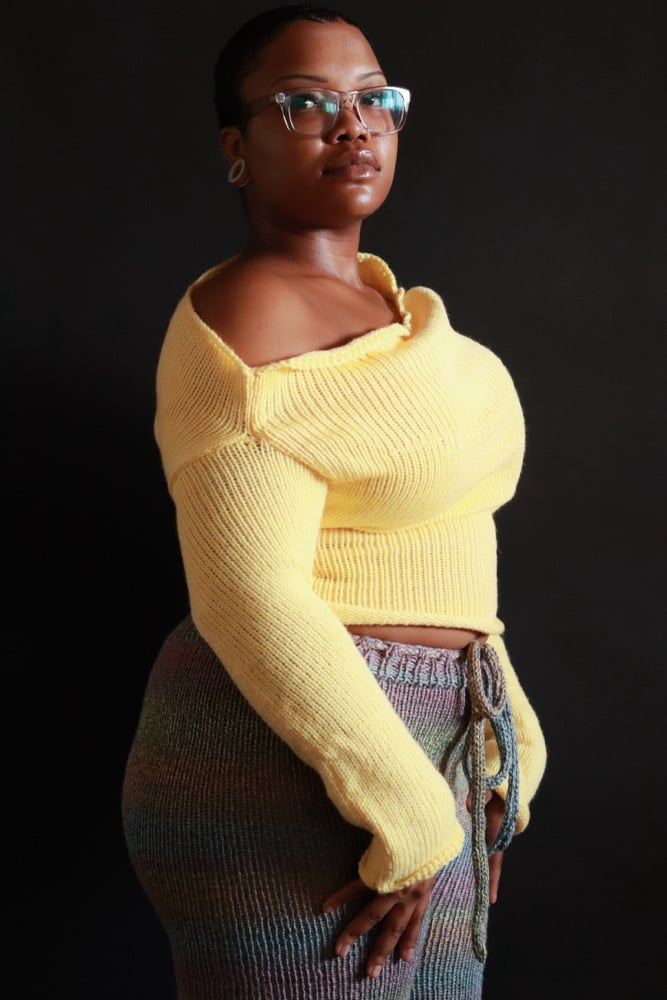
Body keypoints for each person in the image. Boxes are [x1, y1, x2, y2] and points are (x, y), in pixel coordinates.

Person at [121, 6, 547, 998]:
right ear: (237, 148)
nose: (353, 125)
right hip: (288, 754)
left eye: (373, 99)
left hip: (426, 755)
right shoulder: (251, 311)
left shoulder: (391, 312)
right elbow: (249, 597)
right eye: (305, 103)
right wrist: (412, 809)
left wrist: (503, 743)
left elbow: (445, 548)